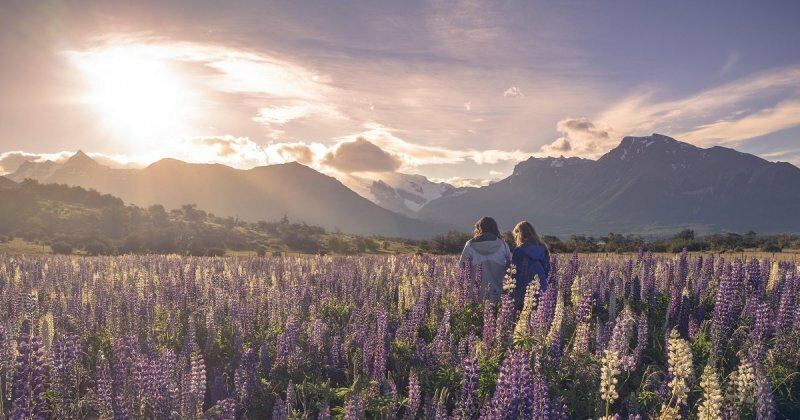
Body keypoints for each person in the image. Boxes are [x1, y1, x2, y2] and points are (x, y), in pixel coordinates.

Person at [459, 216, 511, 302]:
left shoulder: (470, 245)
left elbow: (462, 266)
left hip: (476, 294)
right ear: (495, 228)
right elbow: (510, 267)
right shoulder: (503, 245)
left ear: (479, 228)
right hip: (498, 292)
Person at [511, 221, 550, 309]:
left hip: (523, 290)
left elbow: (514, 273)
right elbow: (547, 270)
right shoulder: (543, 248)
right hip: (541, 288)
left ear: (519, 234)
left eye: (515, 236)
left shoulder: (519, 250)